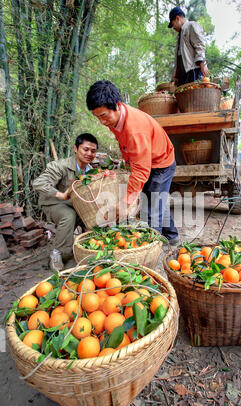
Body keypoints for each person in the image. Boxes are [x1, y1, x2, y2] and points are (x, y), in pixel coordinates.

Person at [86, 80, 179, 245]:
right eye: (97, 117)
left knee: (150, 210)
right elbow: (127, 147)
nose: (102, 122)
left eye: (103, 116)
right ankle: (172, 236)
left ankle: (150, 250)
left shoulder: (135, 129)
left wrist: (125, 202)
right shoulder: (116, 119)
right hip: (149, 158)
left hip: (161, 162)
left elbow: (142, 170)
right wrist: (126, 163)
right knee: (156, 200)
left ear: (117, 104)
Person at [33, 133, 98, 271]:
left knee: (93, 216)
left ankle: (88, 249)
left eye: (93, 151)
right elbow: (38, 183)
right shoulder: (60, 166)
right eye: (85, 149)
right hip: (52, 202)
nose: (89, 154)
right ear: (75, 148)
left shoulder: (91, 172)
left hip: (73, 203)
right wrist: (60, 195)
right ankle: (57, 253)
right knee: (69, 215)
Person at [168, 6, 210, 87]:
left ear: (177, 18)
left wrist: (202, 63)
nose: (173, 27)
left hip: (193, 71)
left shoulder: (191, 26)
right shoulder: (179, 35)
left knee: (194, 96)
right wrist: (176, 76)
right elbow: (179, 57)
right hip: (183, 77)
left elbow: (199, 45)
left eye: (173, 24)